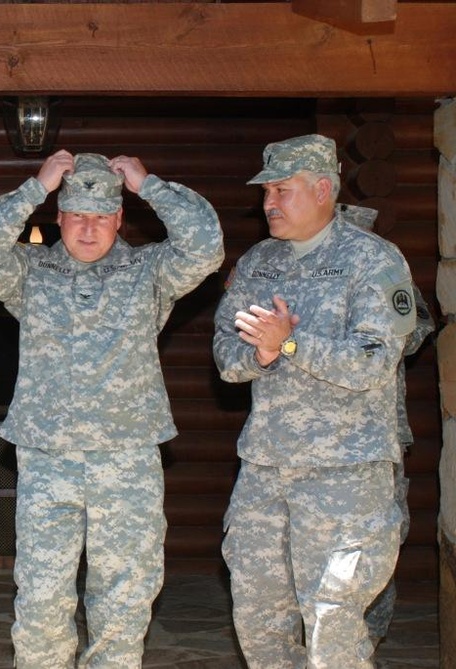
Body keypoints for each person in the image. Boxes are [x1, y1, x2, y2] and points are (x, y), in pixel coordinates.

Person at [0, 150, 224, 668]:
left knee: (124, 599)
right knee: (40, 598)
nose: (88, 227)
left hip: (126, 462)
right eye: (77, 214)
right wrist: (36, 186)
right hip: (48, 460)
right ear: (58, 217)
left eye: (102, 216)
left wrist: (151, 185)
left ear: (120, 218)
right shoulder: (30, 271)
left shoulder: (150, 270)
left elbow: (205, 246)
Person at [213, 134, 416, 668]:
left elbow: (374, 361)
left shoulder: (373, 260)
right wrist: (259, 357)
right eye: (266, 192)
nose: (269, 203)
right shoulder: (258, 263)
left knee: (332, 619)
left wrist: (291, 343)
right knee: (258, 616)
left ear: (323, 189)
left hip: (344, 475)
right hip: (266, 469)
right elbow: (225, 354)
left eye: (283, 189)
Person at [336, 204, 436, 647]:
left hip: (376, 435)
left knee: (374, 547)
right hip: (301, 437)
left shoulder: (384, 267)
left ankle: (366, 645)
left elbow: (413, 332)